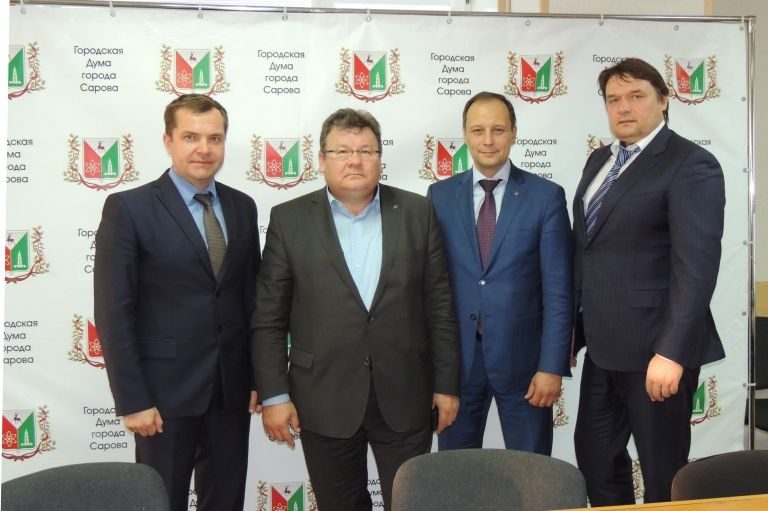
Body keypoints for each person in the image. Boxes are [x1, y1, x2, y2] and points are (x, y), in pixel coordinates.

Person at [251, 108, 460, 511]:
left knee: (411, 503)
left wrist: (447, 385)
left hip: (405, 394)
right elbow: (269, 319)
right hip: (322, 397)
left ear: (380, 158)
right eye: (342, 151)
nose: (355, 160)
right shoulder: (289, 219)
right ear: (322, 159)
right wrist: (275, 395)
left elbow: (440, 307)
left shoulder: (418, 213)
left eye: (366, 150)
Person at [94, 94, 261, 511]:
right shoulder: (129, 208)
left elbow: (251, 300)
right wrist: (134, 400)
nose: (204, 149)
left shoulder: (243, 207)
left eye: (214, 138)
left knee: (226, 502)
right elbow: (114, 311)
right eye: (190, 137)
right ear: (168, 141)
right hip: (162, 397)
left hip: (230, 393)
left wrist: (259, 378)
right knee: (161, 502)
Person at [572, 58, 726, 505]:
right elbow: (590, 251)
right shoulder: (599, 160)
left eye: (636, 96)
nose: (624, 107)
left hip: (657, 354)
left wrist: (672, 352)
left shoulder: (691, 163)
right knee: (596, 462)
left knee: (663, 476)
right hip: (603, 349)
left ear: (663, 100)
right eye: (613, 99)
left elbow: (696, 268)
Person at [427, 91, 573, 454]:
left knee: (532, 473)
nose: (488, 140)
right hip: (458, 367)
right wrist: (436, 370)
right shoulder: (439, 196)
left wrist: (551, 367)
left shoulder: (546, 196)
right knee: (454, 473)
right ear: (465, 135)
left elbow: (559, 291)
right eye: (478, 130)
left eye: (498, 129)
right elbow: (431, 287)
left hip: (526, 367)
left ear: (514, 133)